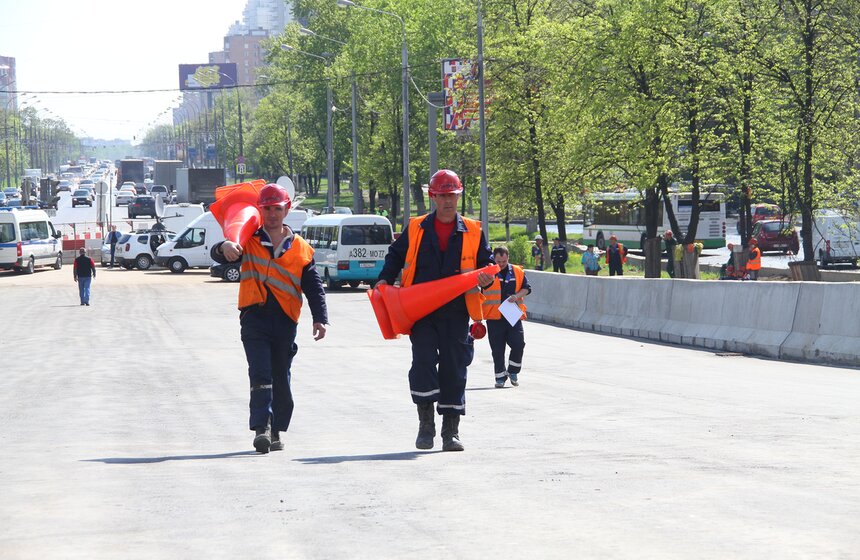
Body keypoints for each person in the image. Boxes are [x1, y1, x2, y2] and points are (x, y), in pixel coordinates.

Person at [377, 169, 494, 452]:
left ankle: (450, 432)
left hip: (456, 310)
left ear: (458, 196)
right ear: (433, 197)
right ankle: (426, 426)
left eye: (452, 195)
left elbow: (487, 263)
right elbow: (395, 254)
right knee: (423, 363)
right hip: (421, 310)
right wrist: (383, 279)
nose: (447, 201)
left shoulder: (474, 230)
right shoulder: (416, 227)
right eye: (442, 195)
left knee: (455, 367)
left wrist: (487, 277)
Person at [211, 184, 328, 454]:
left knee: (281, 376)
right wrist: (225, 245)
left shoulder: (302, 248)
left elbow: (314, 287)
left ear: (287, 210)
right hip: (254, 317)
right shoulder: (249, 239)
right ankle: (261, 428)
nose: (273, 214)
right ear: (259, 210)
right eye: (267, 209)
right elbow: (221, 252)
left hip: (285, 320)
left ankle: (276, 429)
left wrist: (320, 318)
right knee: (260, 372)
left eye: (277, 209)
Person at [483, 246, 530, 388]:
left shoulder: (517, 271)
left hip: (512, 316)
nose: (501, 264)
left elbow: (527, 288)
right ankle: (500, 378)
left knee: (519, 344)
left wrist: (517, 296)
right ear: (494, 258)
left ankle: (513, 371)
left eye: (504, 261)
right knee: (497, 350)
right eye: (498, 261)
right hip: (494, 317)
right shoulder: (487, 272)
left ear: (507, 257)